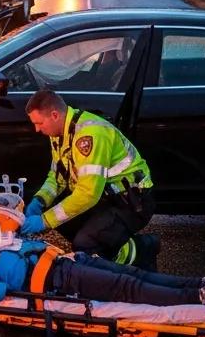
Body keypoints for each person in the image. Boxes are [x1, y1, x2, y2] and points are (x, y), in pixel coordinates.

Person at [19, 89, 157, 268]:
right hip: (107, 197)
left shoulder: (89, 135)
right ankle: (114, 246)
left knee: (85, 244)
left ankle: (143, 249)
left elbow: (88, 194)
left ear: (54, 115)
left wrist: (43, 221)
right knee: (59, 217)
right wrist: (39, 201)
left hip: (131, 201)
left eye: (39, 123)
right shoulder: (60, 133)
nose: (37, 129)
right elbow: (57, 176)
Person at [0, 239, 205, 309]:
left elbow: (29, 245)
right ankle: (201, 297)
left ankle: (201, 283)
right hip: (58, 281)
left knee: (132, 272)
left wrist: (60, 252)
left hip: (66, 264)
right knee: (127, 286)